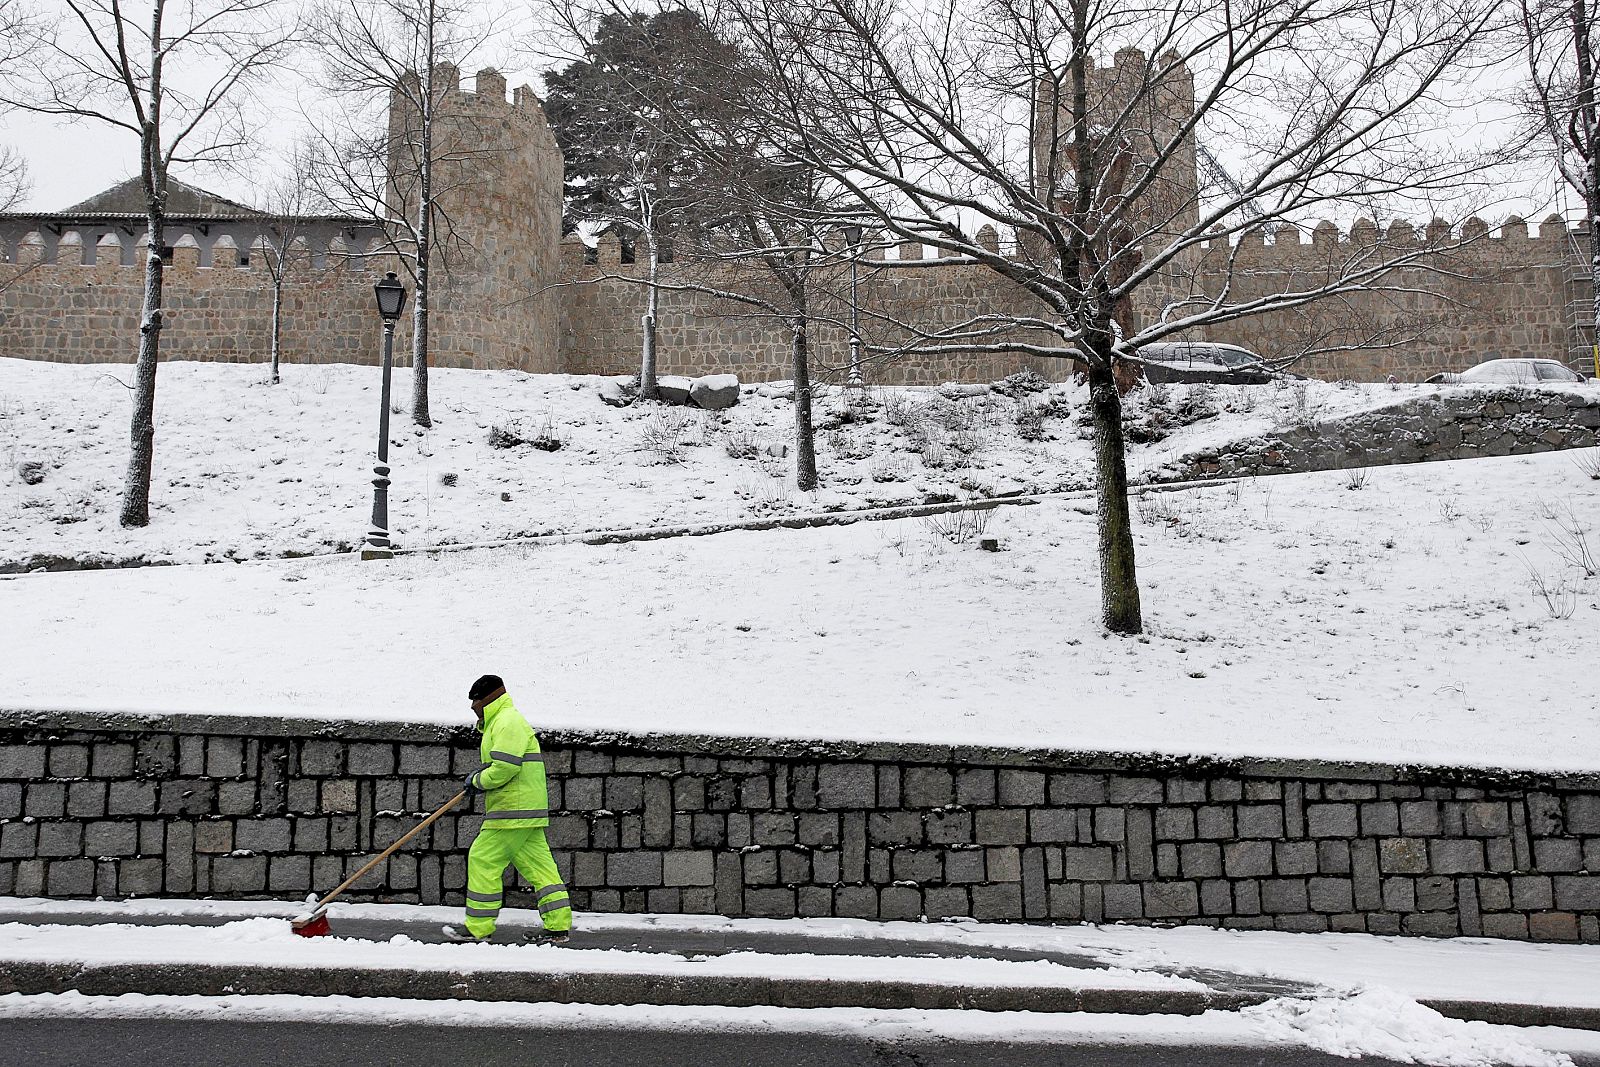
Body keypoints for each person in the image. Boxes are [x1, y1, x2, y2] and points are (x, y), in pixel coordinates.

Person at [442, 674, 573, 944]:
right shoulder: (503, 721)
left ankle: (478, 929)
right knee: (541, 869)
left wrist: (477, 781)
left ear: (488, 698)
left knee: (483, 858)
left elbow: (504, 768)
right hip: (526, 810)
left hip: (513, 809)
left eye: (475, 700)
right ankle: (558, 927)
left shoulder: (506, 721)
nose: (472, 707)